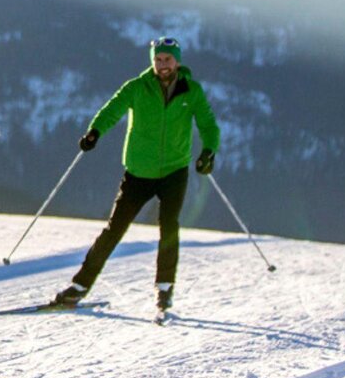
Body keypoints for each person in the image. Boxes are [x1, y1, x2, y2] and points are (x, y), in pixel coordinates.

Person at [53, 36, 220, 314]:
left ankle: (164, 288)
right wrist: (95, 132)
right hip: (138, 172)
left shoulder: (192, 91)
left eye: (167, 59)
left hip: (174, 171)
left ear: (177, 61)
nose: (162, 64)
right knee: (114, 229)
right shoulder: (136, 87)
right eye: (158, 59)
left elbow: (208, 125)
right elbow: (112, 110)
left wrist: (208, 152)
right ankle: (80, 286)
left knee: (169, 227)